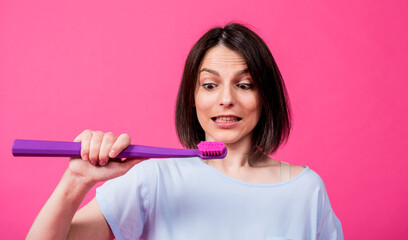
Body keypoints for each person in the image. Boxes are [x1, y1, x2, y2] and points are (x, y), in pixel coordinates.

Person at [27, 23, 343, 240]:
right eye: (209, 85)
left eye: (244, 85)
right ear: (192, 99)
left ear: (266, 98)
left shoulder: (306, 191)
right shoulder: (153, 180)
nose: (226, 99)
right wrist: (75, 183)